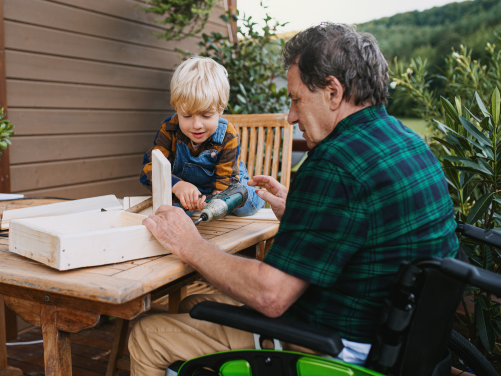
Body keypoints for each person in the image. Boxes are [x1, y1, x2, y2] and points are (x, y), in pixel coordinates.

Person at [129, 23, 459, 375]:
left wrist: (188, 243)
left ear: (333, 92)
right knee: (195, 300)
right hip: (394, 340)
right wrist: (298, 212)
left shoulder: (336, 163)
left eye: (296, 98)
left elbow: (271, 296)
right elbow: (368, 230)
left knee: (147, 334)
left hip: (334, 351)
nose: (291, 115)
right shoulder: (408, 143)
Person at [139, 56, 264, 215]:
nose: (197, 125)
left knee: (243, 208)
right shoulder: (169, 129)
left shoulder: (227, 135)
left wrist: (207, 201)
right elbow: (147, 170)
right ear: (176, 109)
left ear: (220, 110)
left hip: (226, 181)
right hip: (190, 187)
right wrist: (177, 185)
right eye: (187, 116)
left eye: (206, 116)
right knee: (174, 212)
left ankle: (254, 193)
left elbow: (223, 187)